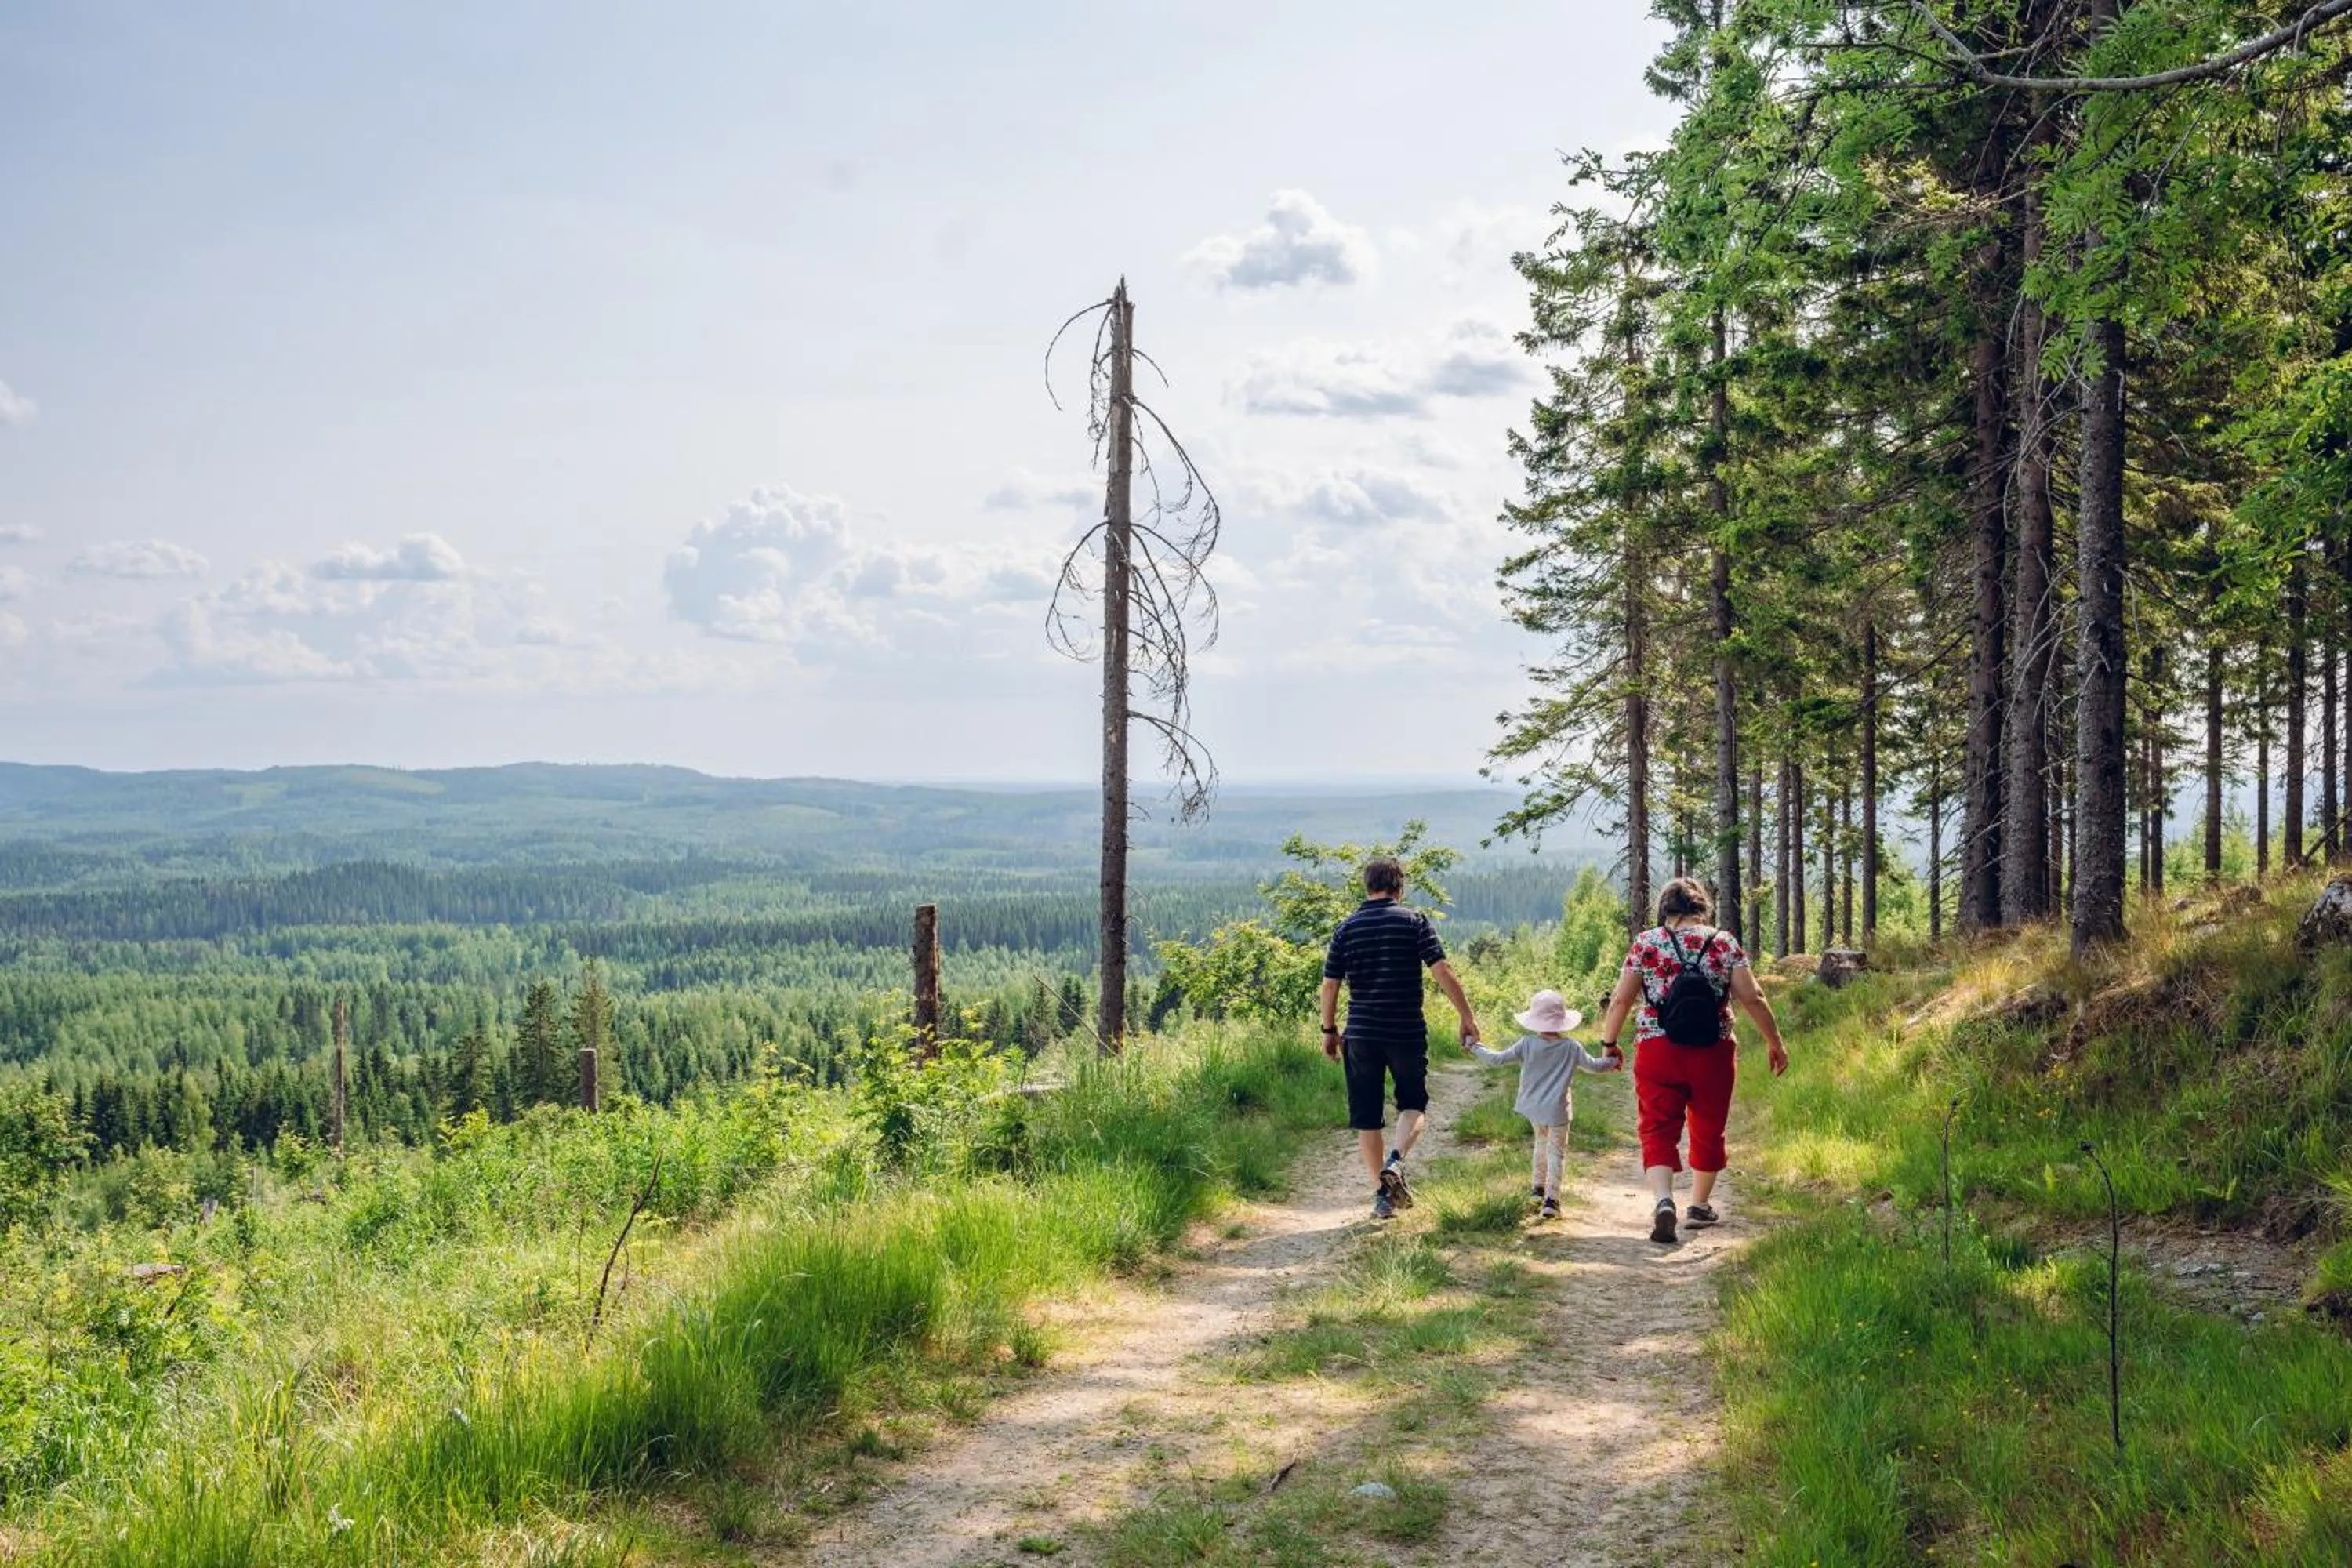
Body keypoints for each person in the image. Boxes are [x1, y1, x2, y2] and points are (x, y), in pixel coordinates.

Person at [1593, 877, 1790, 1245]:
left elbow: (1621, 999)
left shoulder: (1647, 943)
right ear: (1703, 908)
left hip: (1657, 1048)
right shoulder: (1723, 942)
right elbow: (1753, 997)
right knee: (1709, 1125)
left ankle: (1664, 1199)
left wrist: (1609, 1043)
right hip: (1712, 1051)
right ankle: (1699, 1206)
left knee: (1656, 1127)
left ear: (1665, 909)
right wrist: (1775, 1042)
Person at [1319, 855, 1479, 1221]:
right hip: (1405, 1030)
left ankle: (1381, 1195)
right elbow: (1442, 970)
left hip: (1360, 1034)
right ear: (1400, 886)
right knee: (1413, 1104)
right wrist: (1466, 1016)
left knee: (1368, 1117)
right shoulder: (1415, 922)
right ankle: (1396, 1161)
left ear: (1367, 886)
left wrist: (1329, 1031)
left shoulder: (1346, 928)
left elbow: (1330, 985)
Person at [1464, 988, 1621, 1220]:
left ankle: (1537, 1189)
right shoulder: (1571, 1047)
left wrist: (1474, 1045)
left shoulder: (1527, 1044)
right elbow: (1595, 1067)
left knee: (1540, 1143)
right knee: (1556, 1152)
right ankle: (1551, 1200)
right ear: (1562, 1022)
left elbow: (1496, 1059)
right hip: (1558, 1110)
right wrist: (1613, 1059)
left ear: (1535, 1021)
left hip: (1534, 1108)